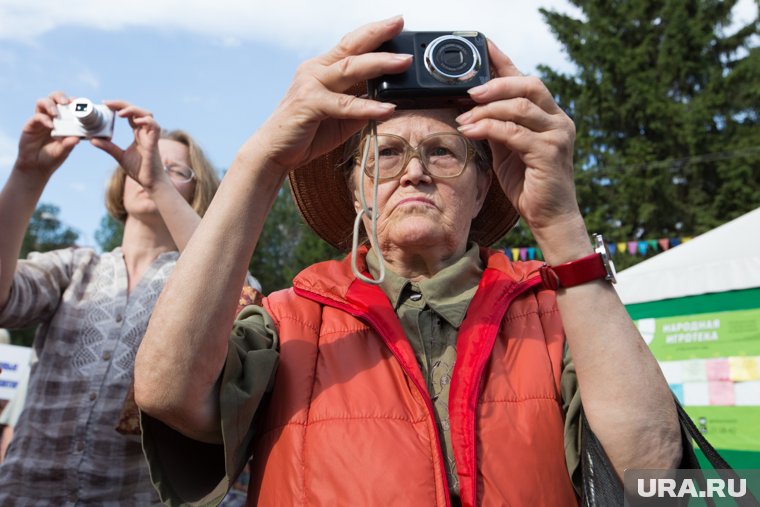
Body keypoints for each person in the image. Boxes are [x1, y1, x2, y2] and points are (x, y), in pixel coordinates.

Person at [135, 17, 682, 506]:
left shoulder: (560, 315)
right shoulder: (288, 320)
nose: (414, 172)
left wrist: (561, 225)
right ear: (356, 193)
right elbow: (168, 392)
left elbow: (651, 471)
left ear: (483, 185)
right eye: (387, 154)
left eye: (443, 152)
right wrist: (262, 160)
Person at [0, 92, 231, 504]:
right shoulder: (74, 267)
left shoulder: (195, 281)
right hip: (24, 492)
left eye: (174, 169)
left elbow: (234, 293)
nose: (149, 169)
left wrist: (156, 180)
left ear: (197, 193)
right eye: (144, 161)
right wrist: (27, 174)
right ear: (119, 180)